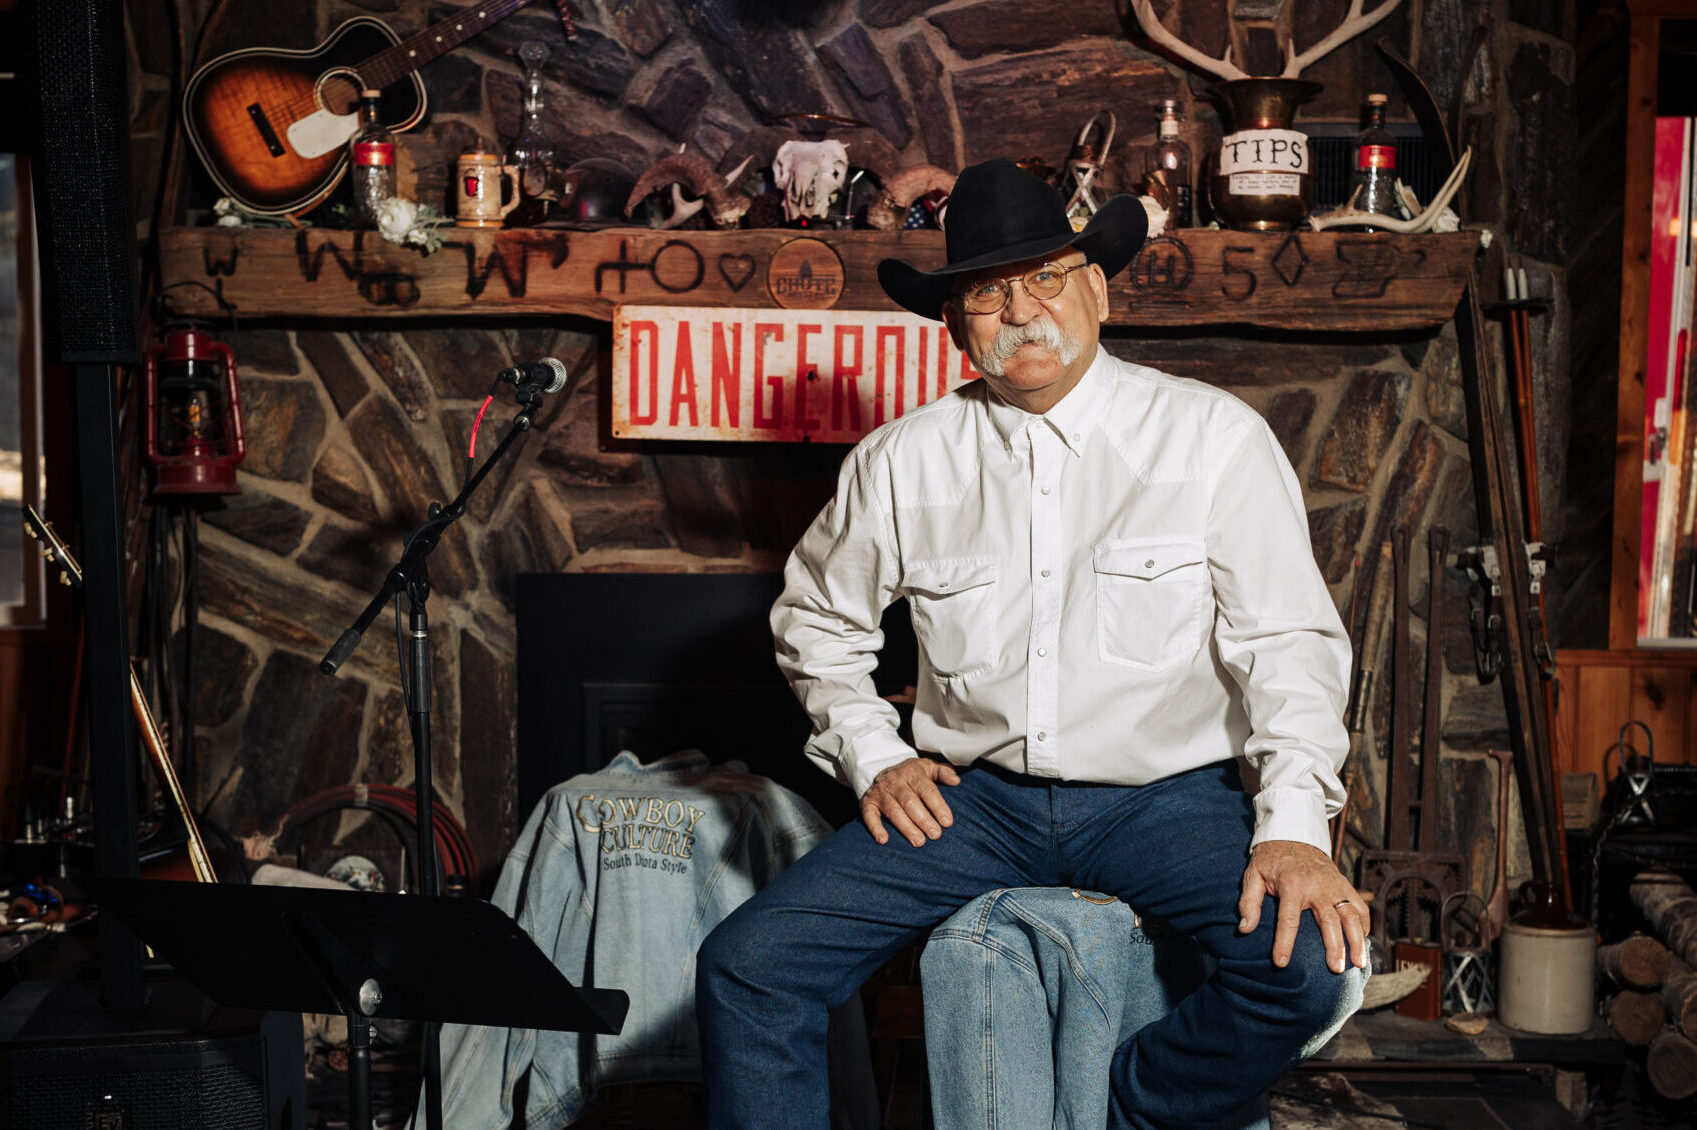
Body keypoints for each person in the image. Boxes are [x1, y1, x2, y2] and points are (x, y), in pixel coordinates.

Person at [696, 157, 1368, 1130]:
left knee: (1310, 973)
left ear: (1095, 286)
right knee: (747, 964)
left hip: (1167, 797)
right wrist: (873, 754)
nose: (1019, 309)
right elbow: (814, 621)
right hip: (980, 804)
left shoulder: (1209, 438)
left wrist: (1295, 825)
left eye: (1045, 276)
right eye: (985, 290)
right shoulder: (901, 460)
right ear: (953, 323)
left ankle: (1137, 1101)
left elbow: (1288, 645)